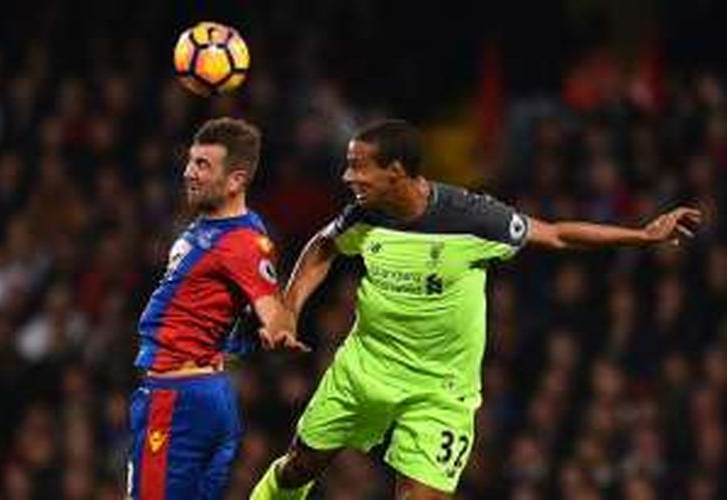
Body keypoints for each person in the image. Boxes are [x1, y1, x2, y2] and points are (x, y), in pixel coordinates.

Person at [250, 119, 703, 499]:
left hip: (438, 393)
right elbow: (322, 247)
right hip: (363, 371)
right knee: (298, 470)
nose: (348, 178)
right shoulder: (363, 216)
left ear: (396, 171)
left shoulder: (472, 219)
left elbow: (557, 234)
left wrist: (643, 236)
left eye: (359, 168)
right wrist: (289, 308)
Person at [128, 117, 307, 500]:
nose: (189, 173)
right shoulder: (230, 227)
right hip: (204, 395)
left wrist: (276, 327)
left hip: (178, 400)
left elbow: (272, 313)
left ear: (236, 180)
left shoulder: (239, 242)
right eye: (191, 161)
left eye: (203, 165)